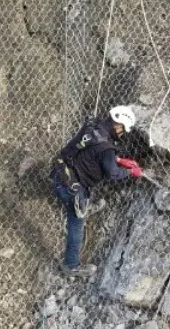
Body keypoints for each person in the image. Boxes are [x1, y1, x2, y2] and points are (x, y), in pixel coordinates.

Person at [50, 105, 144, 277]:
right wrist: (130, 171)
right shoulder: (107, 148)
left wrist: (119, 160)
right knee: (76, 223)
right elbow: (113, 174)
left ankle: (84, 207)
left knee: (80, 200)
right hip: (70, 188)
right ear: (118, 125)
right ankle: (71, 266)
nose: (123, 134)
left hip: (58, 173)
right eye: (123, 130)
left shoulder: (94, 127)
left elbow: (91, 152)